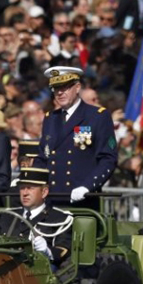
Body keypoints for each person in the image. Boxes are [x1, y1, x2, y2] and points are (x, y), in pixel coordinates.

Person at [31, 66, 117, 208]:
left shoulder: (97, 116)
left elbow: (108, 158)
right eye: (56, 88)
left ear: (77, 87)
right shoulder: (50, 118)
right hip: (52, 199)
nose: (60, 93)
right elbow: (43, 157)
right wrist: (31, 180)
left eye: (65, 88)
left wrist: (88, 186)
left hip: (82, 200)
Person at [0, 168, 73, 265]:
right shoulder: (9, 216)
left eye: (30, 188)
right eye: (22, 188)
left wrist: (47, 251)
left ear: (44, 192)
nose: (25, 193)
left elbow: (63, 251)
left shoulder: (60, 218)